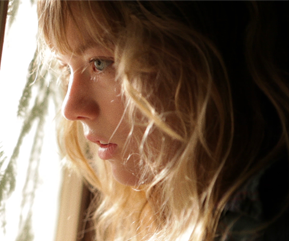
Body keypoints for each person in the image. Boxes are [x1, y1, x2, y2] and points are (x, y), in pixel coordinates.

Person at [37, 0, 289, 240]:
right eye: (64, 67)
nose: (70, 109)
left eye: (100, 63)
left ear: (195, 56)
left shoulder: (259, 221)